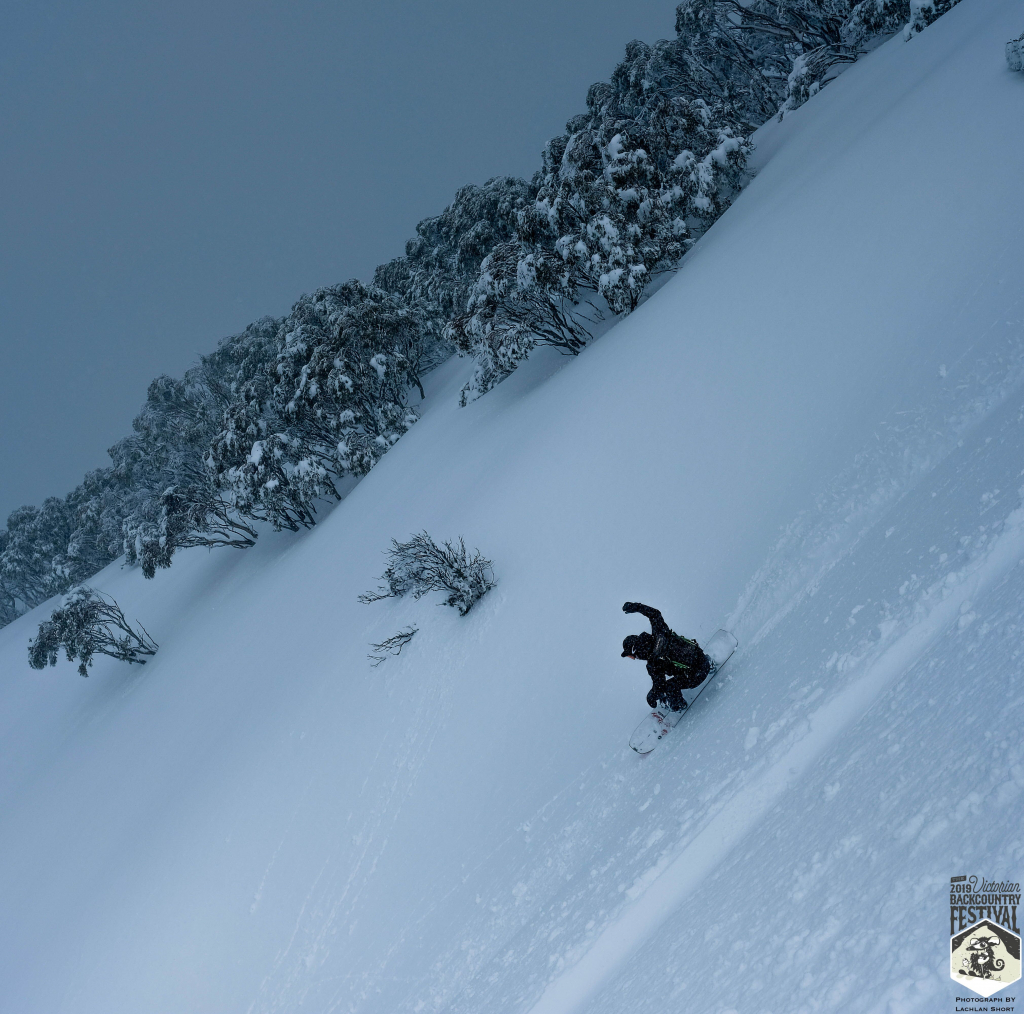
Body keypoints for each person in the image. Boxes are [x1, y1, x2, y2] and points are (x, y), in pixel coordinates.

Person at [621, 601, 712, 712]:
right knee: (687, 663)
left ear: (636, 650)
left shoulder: (653, 663)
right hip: (703, 659)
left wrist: (651, 696)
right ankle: (710, 664)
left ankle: (678, 706)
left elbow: (659, 686)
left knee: (668, 687)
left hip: (696, 676)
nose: (635, 658)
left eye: (632, 656)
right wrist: (637, 607)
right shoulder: (660, 633)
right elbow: (655, 614)